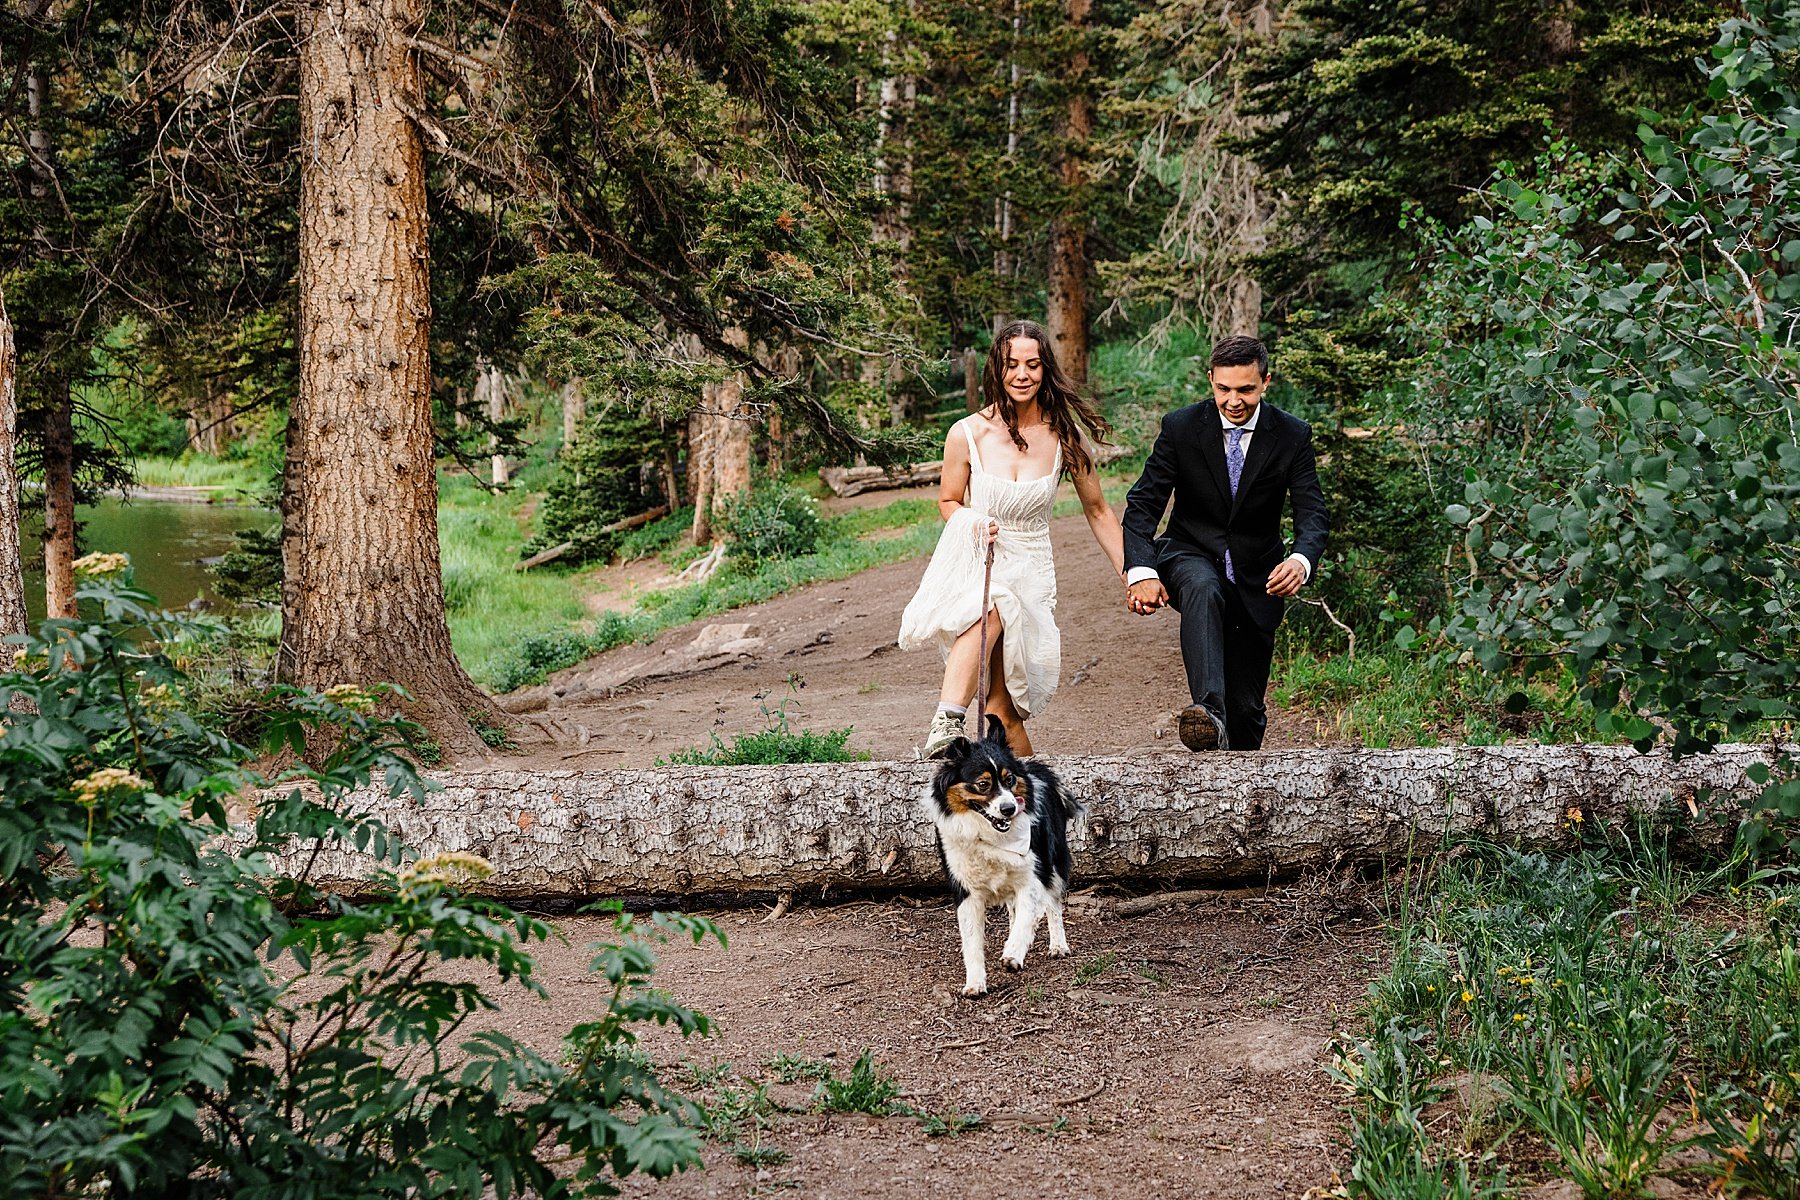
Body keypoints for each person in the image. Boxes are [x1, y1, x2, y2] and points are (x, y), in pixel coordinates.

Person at [900, 319, 1127, 759]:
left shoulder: (1065, 436)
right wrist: (971, 521)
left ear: (1046, 371)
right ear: (996, 369)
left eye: (1032, 365)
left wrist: (1129, 574)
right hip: (980, 557)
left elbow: (1099, 510)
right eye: (1011, 365)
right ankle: (946, 723)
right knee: (993, 605)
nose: (1022, 375)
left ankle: (1031, 802)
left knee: (1001, 710)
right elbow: (948, 501)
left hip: (1032, 566)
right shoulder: (966, 433)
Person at [1120, 334, 1329, 752]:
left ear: (1266, 381)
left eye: (1246, 390)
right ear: (1211, 379)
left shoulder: (1291, 435)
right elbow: (1143, 505)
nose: (1234, 400)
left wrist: (1302, 560)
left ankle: (1238, 790)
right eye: (1224, 389)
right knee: (1203, 585)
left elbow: (1313, 512)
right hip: (1188, 553)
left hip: (1258, 577)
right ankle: (1207, 711)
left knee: (1248, 712)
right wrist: (1140, 571)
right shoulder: (1180, 427)